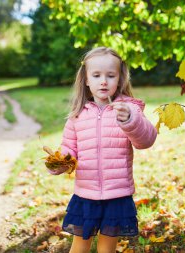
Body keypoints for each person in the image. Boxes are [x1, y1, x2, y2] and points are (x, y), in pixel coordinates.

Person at [47, 47, 157, 253]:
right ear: (86, 79)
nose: (103, 81)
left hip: (116, 194)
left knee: (107, 248)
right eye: (96, 75)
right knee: (79, 246)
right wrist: (60, 162)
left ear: (120, 79)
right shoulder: (78, 115)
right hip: (86, 194)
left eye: (110, 75)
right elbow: (69, 147)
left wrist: (130, 121)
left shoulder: (128, 109)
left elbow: (146, 140)